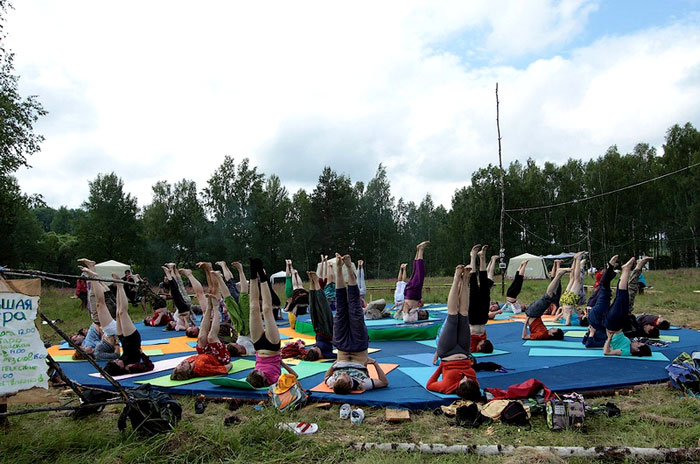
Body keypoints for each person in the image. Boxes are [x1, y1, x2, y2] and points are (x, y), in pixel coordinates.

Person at [324, 254, 389, 394]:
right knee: (355, 308)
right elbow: (384, 382)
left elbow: (326, 377)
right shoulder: (361, 384)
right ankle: (348, 266)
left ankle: (339, 269)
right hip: (359, 345)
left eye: (339, 377)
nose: (342, 375)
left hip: (341, 345)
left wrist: (333, 365)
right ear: (349, 382)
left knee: (340, 307)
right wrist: (376, 364)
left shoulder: (333, 383)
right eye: (344, 377)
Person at [426, 264, 481, 400]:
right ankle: (466, 279)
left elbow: (430, 384)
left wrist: (441, 366)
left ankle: (456, 278)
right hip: (464, 351)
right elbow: (474, 385)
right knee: (463, 314)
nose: (466, 377)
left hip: (447, 351)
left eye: (464, 380)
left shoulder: (448, 387)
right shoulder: (474, 386)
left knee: (452, 315)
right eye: (470, 379)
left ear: (459, 386)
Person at [245, 258, 297, 388]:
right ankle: (263, 277)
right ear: (263, 379)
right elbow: (295, 376)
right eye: (261, 373)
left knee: (253, 309)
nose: (260, 370)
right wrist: (282, 362)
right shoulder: (273, 379)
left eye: (257, 371)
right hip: (272, 347)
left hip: (258, 346)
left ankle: (252, 273)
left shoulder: (252, 377)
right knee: (267, 310)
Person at [170, 284, 233, 381]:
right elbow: (222, 369)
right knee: (211, 337)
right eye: (182, 367)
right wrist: (229, 365)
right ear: (188, 372)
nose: (181, 363)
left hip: (207, 354)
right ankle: (215, 308)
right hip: (220, 358)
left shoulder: (187, 361)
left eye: (179, 365)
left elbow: (199, 354)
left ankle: (208, 309)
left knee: (201, 338)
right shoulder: (200, 370)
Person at [103, 274, 154, 376]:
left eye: (115, 361)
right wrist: (142, 354)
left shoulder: (121, 362)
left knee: (118, 313)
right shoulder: (131, 367)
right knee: (123, 313)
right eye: (117, 362)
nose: (117, 360)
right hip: (132, 340)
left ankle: (118, 286)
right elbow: (150, 366)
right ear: (120, 368)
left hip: (123, 340)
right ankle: (121, 286)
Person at [603, 257, 652, 357]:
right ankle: (625, 268)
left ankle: (623, 268)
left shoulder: (626, 351)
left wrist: (609, 339)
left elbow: (606, 352)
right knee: (622, 293)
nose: (636, 342)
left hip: (614, 323)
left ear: (638, 350)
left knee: (623, 294)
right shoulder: (630, 342)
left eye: (638, 344)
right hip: (617, 321)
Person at [78, 260, 121, 361]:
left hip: (104, 326)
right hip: (105, 327)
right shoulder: (98, 354)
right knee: (99, 299)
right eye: (84, 349)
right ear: (85, 355)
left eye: (82, 347)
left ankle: (92, 272)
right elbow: (116, 355)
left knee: (102, 295)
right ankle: (92, 274)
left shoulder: (89, 345)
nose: (84, 347)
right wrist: (116, 343)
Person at [521, 267, 567, 340]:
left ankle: (558, 275)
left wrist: (526, 322)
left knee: (549, 295)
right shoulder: (545, 333)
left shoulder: (542, 334)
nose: (553, 327)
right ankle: (558, 276)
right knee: (554, 296)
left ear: (552, 334)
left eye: (554, 329)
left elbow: (524, 337)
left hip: (532, 313)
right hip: (536, 314)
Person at [583, 255, 618, 348]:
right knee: (603, 289)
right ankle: (610, 272)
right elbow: (584, 341)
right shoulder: (605, 339)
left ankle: (610, 267)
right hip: (597, 316)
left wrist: (591, 333)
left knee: (604, 291)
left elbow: (587, 344)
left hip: (596, 317)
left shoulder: (602, 341)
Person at [467, 245, 496, 354]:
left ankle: (473, 256)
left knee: (473, 284)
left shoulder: (473, 348)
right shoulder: (483, 341)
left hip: (473, 319)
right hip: (483, 318)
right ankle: (482, 257)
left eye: (482, 343)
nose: (483, 341)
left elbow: (468, 350)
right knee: (485, 287)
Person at [304, 271, 337, 361]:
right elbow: (337, 356)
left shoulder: (314, 351)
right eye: (316, 349)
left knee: (313, 307)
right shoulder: (326, 354)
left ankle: (312, 282)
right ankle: (316, 282)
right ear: (319, 355)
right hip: (327, 329)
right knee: (323, 306)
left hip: (317, 329)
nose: (316, 347)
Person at [394, 241, 430, 322]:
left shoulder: (413, 318)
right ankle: (418, 251)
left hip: (412, 295)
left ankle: (420, 250)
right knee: (416, 272)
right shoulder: (415, 314)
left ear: (422, 318)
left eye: (423, 314)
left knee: (420, 273)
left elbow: (406, 319)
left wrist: (405, 310)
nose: (422, 312)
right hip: (411, 294)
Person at [556, 252, 585, 325]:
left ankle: (577, 259)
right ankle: (575, 260)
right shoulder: (565, 319)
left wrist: (568, 315)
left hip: (569, 302)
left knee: (577, 280)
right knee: (572, 279)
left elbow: (567, 324)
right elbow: (554, 319)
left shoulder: (576, 322)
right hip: (564, 301)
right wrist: (562, 313)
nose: (581, 315)